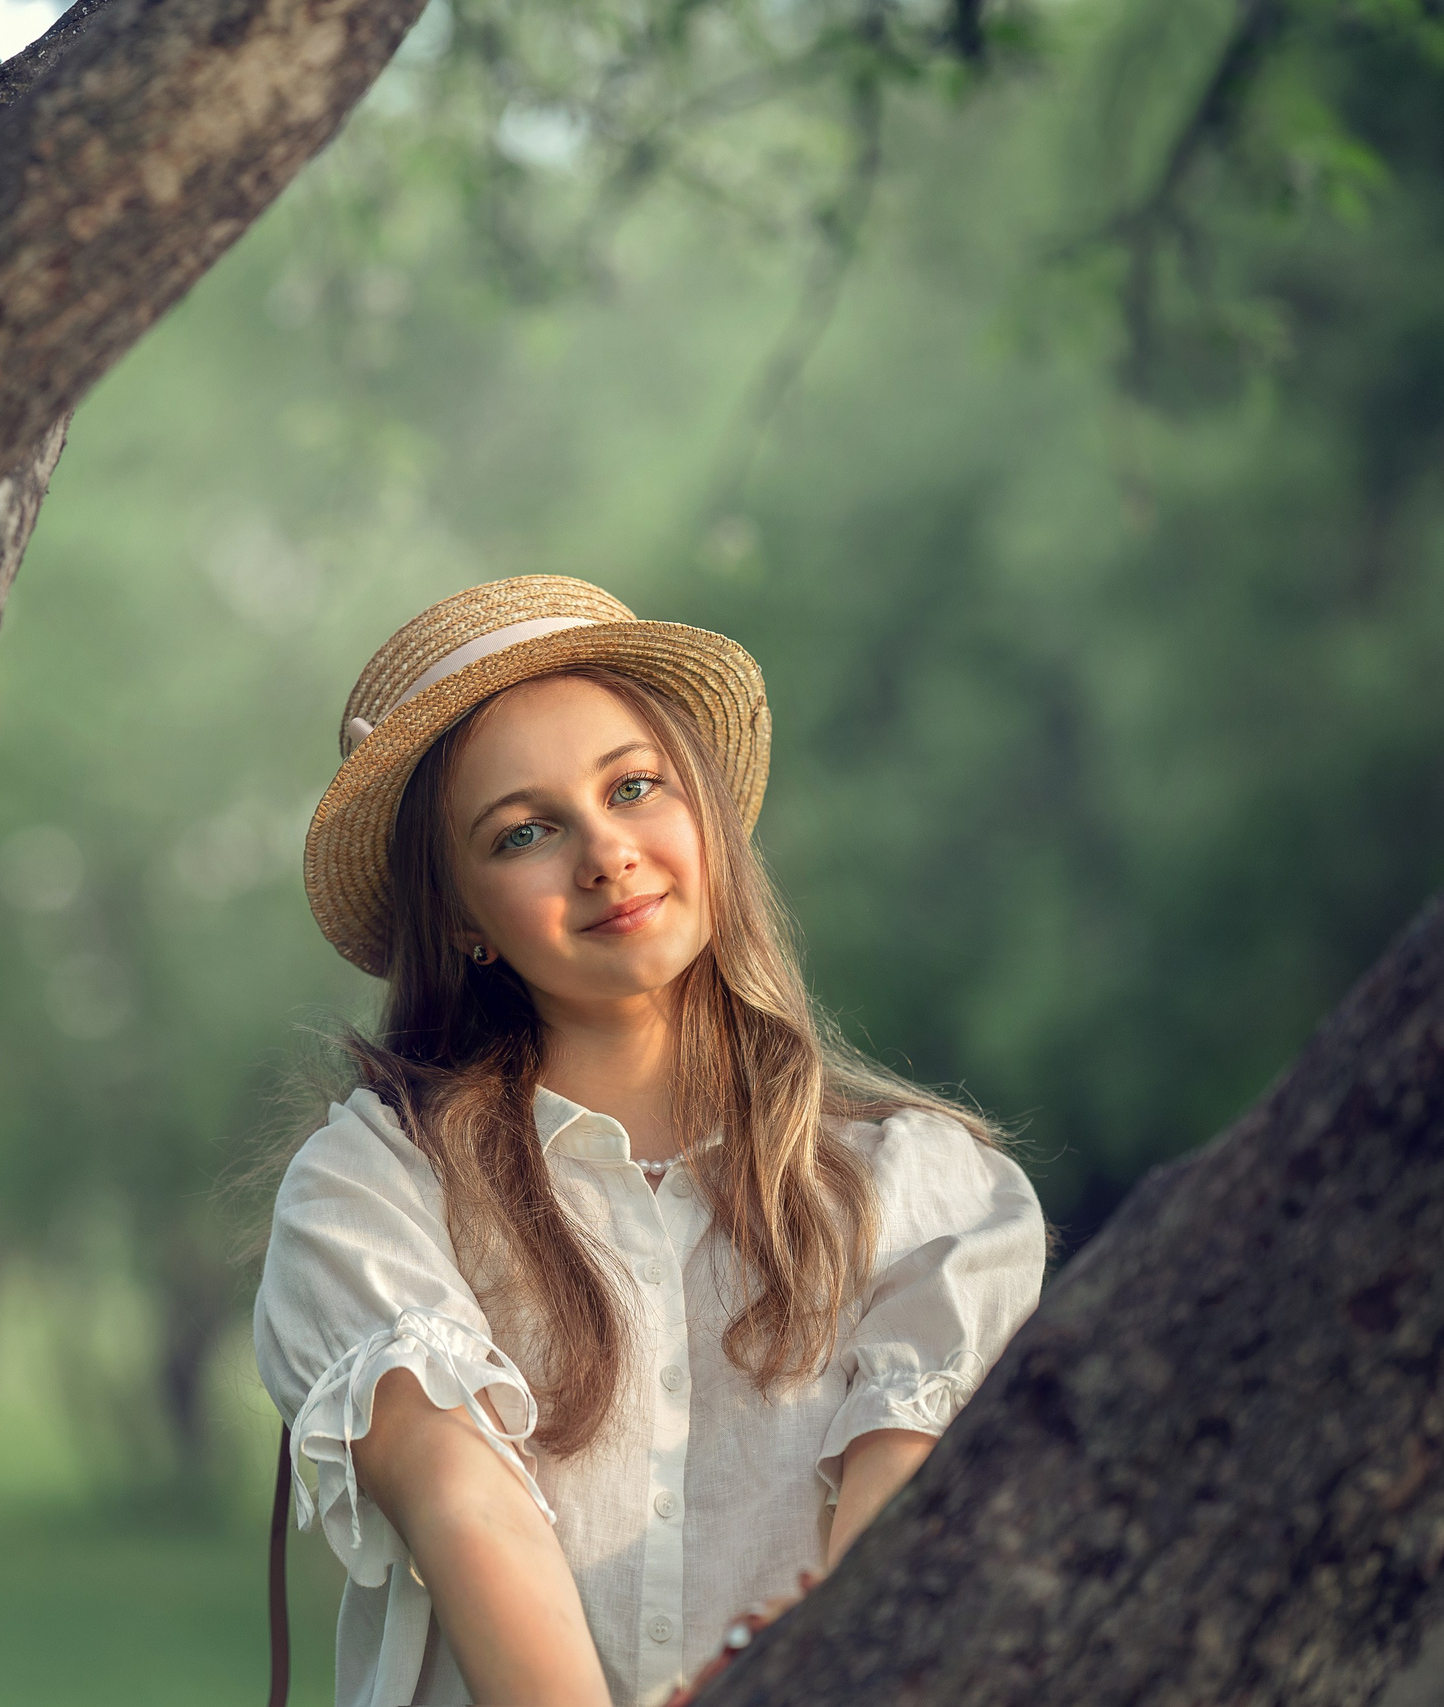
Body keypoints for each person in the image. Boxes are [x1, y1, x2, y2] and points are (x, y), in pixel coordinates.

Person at [254, 576, 1046, 1707]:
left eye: (634, 787)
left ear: (708, 819)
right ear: (461, 921)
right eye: (523, 831)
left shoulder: (926, 1192)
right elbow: (465, 1506)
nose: (605, 853)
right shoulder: (373, 1187)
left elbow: (895, 1568)